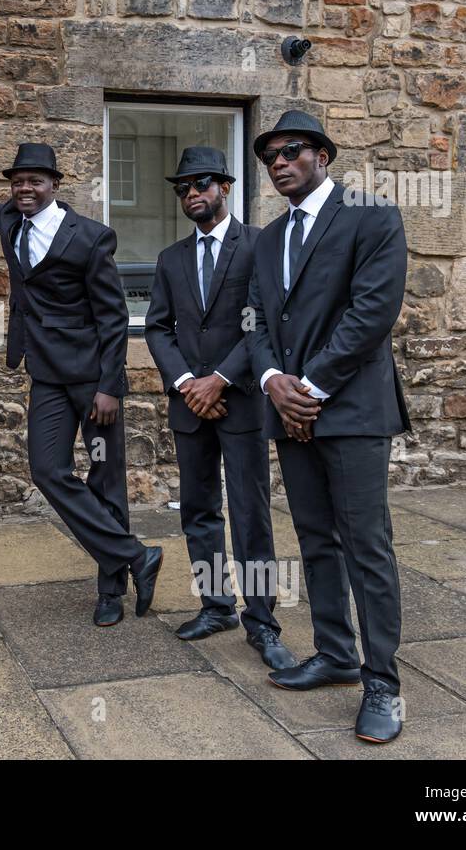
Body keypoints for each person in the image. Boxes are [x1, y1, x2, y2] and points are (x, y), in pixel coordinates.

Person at [0, 137, 161, 627]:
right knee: (48, 470)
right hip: (46, 374)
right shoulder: (7, 220)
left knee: (105, 480)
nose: (24, 188)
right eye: (18, 181)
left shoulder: (91, 236)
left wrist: (110, 385)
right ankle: (133, 555)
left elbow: (113, 319)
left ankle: (111, 591)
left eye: (34, 181)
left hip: (92, 380)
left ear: (54, 185)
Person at [246, 111, 410, 743]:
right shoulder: (267, 239)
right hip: (289, 409)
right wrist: (269, 382)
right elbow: (253, 320)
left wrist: (308, 387)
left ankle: (382, 683)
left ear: (322, 155)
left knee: (366, 547)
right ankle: (336, 654)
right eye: (269, 158)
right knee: (316, 539)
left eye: (291, 151)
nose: (279, 163)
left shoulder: (372, 216)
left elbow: (373, 312)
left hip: (349, 408)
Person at [144, 146, 295, 670]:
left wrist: (221, 378)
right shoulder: (170, 259)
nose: (192, 194)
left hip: (243, 400)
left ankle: (262, 622)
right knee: (199, 511)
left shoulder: (258, 245)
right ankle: (216, 605)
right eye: (183, 188)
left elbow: (263, 320)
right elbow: (158, 328)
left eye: (202, 184)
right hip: (191, 406)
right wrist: (188, 382)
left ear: (224, 188)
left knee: (251, 515)